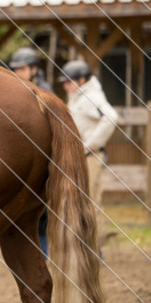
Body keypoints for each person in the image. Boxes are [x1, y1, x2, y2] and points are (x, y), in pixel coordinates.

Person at [60, 59, 119, 246]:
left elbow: (110, 117)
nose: (65, 86)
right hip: (83, 155)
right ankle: (86, 243)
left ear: (82, 80)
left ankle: (95, 246)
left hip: (90, 156)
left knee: (90, 200)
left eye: (69, 82)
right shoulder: (80, 97)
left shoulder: (90, 97)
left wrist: (91, 144)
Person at [8, 46, 52, 255]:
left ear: (34, 69)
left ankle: (44, 254)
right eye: (15, 69)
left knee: (42, 212)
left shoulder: (44, 92)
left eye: (22, 69)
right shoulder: (17, 91)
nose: (18, 73)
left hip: (45, 155)